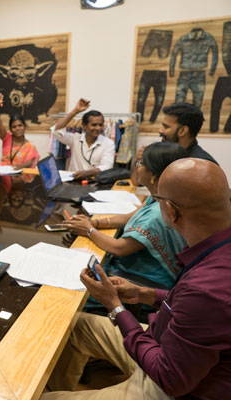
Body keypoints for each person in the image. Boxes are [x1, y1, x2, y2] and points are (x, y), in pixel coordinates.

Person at [43, 158, 231, 399]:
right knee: (74, 326)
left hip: (168, 384)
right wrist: (146, 294)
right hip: (166, 343)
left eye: (158, 200)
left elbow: (169, 379)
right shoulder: (215, 255)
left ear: (171, 212)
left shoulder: (206, 289)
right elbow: (192, 307)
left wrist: (115, 307)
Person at [63, 142, 187, 291]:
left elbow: (119, 248)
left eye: (141, 163)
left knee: (72, 284)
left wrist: (89, 230)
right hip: (141, 272)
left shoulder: (156, 216)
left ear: (153, 176)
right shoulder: (161, 197)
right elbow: (129, 217)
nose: (137, 166)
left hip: (143, 282)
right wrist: (94, 222)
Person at [51, 98, 115, 179]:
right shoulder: (75, 138)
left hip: (96, 183)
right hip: (74, 182)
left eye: (100, 125)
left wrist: (87, 173)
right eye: (94, 125)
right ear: (84, 126)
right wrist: (75, 111)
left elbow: (107, 166)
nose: (98, 128)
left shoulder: (108, 143)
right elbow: (56, 131)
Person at [0, 93, 40, 169]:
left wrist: (19, 167)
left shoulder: (30, 147)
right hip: (3, 176)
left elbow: (31, 162)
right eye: (14, 127)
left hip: (19, 179)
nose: (17, 128)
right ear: (11, 129)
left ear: (24, 127)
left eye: (20, 125)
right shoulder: (6, 138)